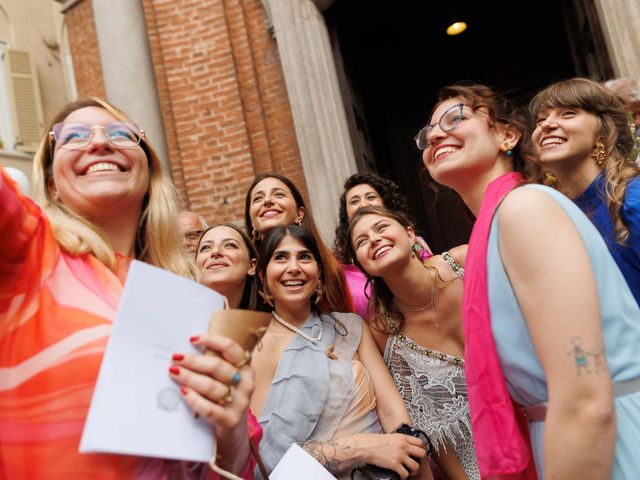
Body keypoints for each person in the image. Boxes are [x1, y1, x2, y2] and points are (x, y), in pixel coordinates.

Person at [0, 98, 260, 479]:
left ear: (148, 174)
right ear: (53, 184)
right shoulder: (30, 252)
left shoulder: (192, 304)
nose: (100, 142)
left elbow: (220, 468)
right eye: (74, 136)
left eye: (121, 134)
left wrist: (231, 429)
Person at [418, 84, 640, 478]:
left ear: (507, 134)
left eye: (456, 118)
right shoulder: (498, 226)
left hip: (606, 447)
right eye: (427, 132)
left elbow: (585, 400)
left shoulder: (525, 209)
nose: (435, 135)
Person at [251, 225, 431, 480]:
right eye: (281, 257)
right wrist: (359, 448)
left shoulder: (350, 327)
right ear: (262, 274)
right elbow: (267, 462)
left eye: (304, 257)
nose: (294, 267)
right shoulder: (255, 347)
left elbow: (394, 415)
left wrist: (411, 458)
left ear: (319, 274)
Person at [347, 206, 476, 479]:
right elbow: (433, 429)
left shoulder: (465, 262)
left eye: (381, 228)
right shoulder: (383, 331)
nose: (373, 239)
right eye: (361, 241)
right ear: (362, 265)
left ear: (410, 234)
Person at [530, 77, 640, 306]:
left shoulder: (633, 199)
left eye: (568, 113)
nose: (546, 125)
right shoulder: (553, 216)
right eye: (541, 119)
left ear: (603, 130)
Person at [244, 173, 353, 313]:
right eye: (258, 198)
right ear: (251, 220)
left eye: (278, 195)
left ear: (299, 213)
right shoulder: (245, 274)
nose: (267, 201)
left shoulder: (330, 269)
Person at [333, 172, 432, 319]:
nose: (364, 204)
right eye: (354, 201)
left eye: (371, 197)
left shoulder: (416, 244)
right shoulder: (338, 266)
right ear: (346, 215)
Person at [194, 223, 259, 310]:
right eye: (206, 247)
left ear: (251, 266)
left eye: (229, 245)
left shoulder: (275, 320)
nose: (215, 251)